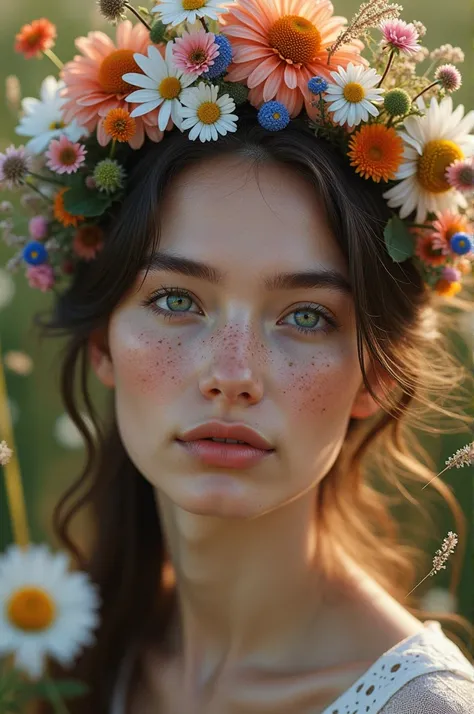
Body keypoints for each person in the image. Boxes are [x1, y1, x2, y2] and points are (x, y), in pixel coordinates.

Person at [1, 1, 473, 713]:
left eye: (307, 316)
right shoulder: (77, 659)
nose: (231, 375)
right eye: (176, 301)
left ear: (375, 372)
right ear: (102, 342)